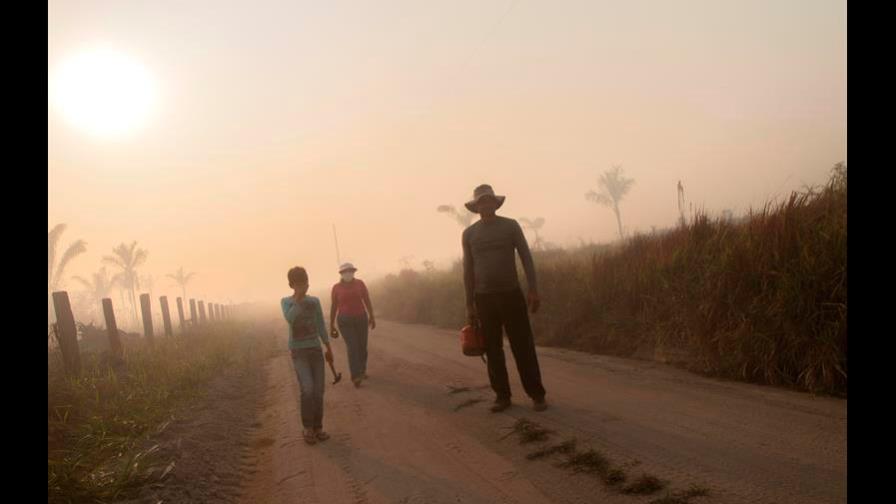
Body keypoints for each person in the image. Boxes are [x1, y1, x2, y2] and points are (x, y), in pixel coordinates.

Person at [461, 184, 548, 412]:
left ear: (495, 203)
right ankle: (502, 395)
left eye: (489, 200)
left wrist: (533, 289)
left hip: (511, 294)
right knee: (492, 348)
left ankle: (537, 394)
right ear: (476, 207)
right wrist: (469, 304)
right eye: (481, 202)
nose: (486, 204)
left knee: (523, 345)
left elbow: (526, 258)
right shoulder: (469, 234)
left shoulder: (510, 226)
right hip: (484, 298)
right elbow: (468, 270)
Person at [281, 266, 335, 444]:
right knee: (308, 389)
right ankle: (307, 428)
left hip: (315, 350)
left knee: (319, 391)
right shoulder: (286, 302)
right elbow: (290, 318)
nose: (304, 286)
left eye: (305, 282)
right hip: (299, 352)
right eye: (299, 283)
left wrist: (328, 347)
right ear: (291, 285)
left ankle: (318, 427)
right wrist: (299, 299)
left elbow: (320, 324)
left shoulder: (315, 301)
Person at [329, 262, 376, 387]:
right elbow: (333, 306)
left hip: (361, 318)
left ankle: (362, 370)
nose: (348, 273)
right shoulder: (336, 288)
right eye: (345, 272)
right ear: (341, 274)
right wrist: (331, 324)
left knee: (362, 347)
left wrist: (372, 315)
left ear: (354, 272)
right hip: (345, 321)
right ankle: (355, 376)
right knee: (352, 347)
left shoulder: (360, 284)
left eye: (350, 271)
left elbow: (366, 299)